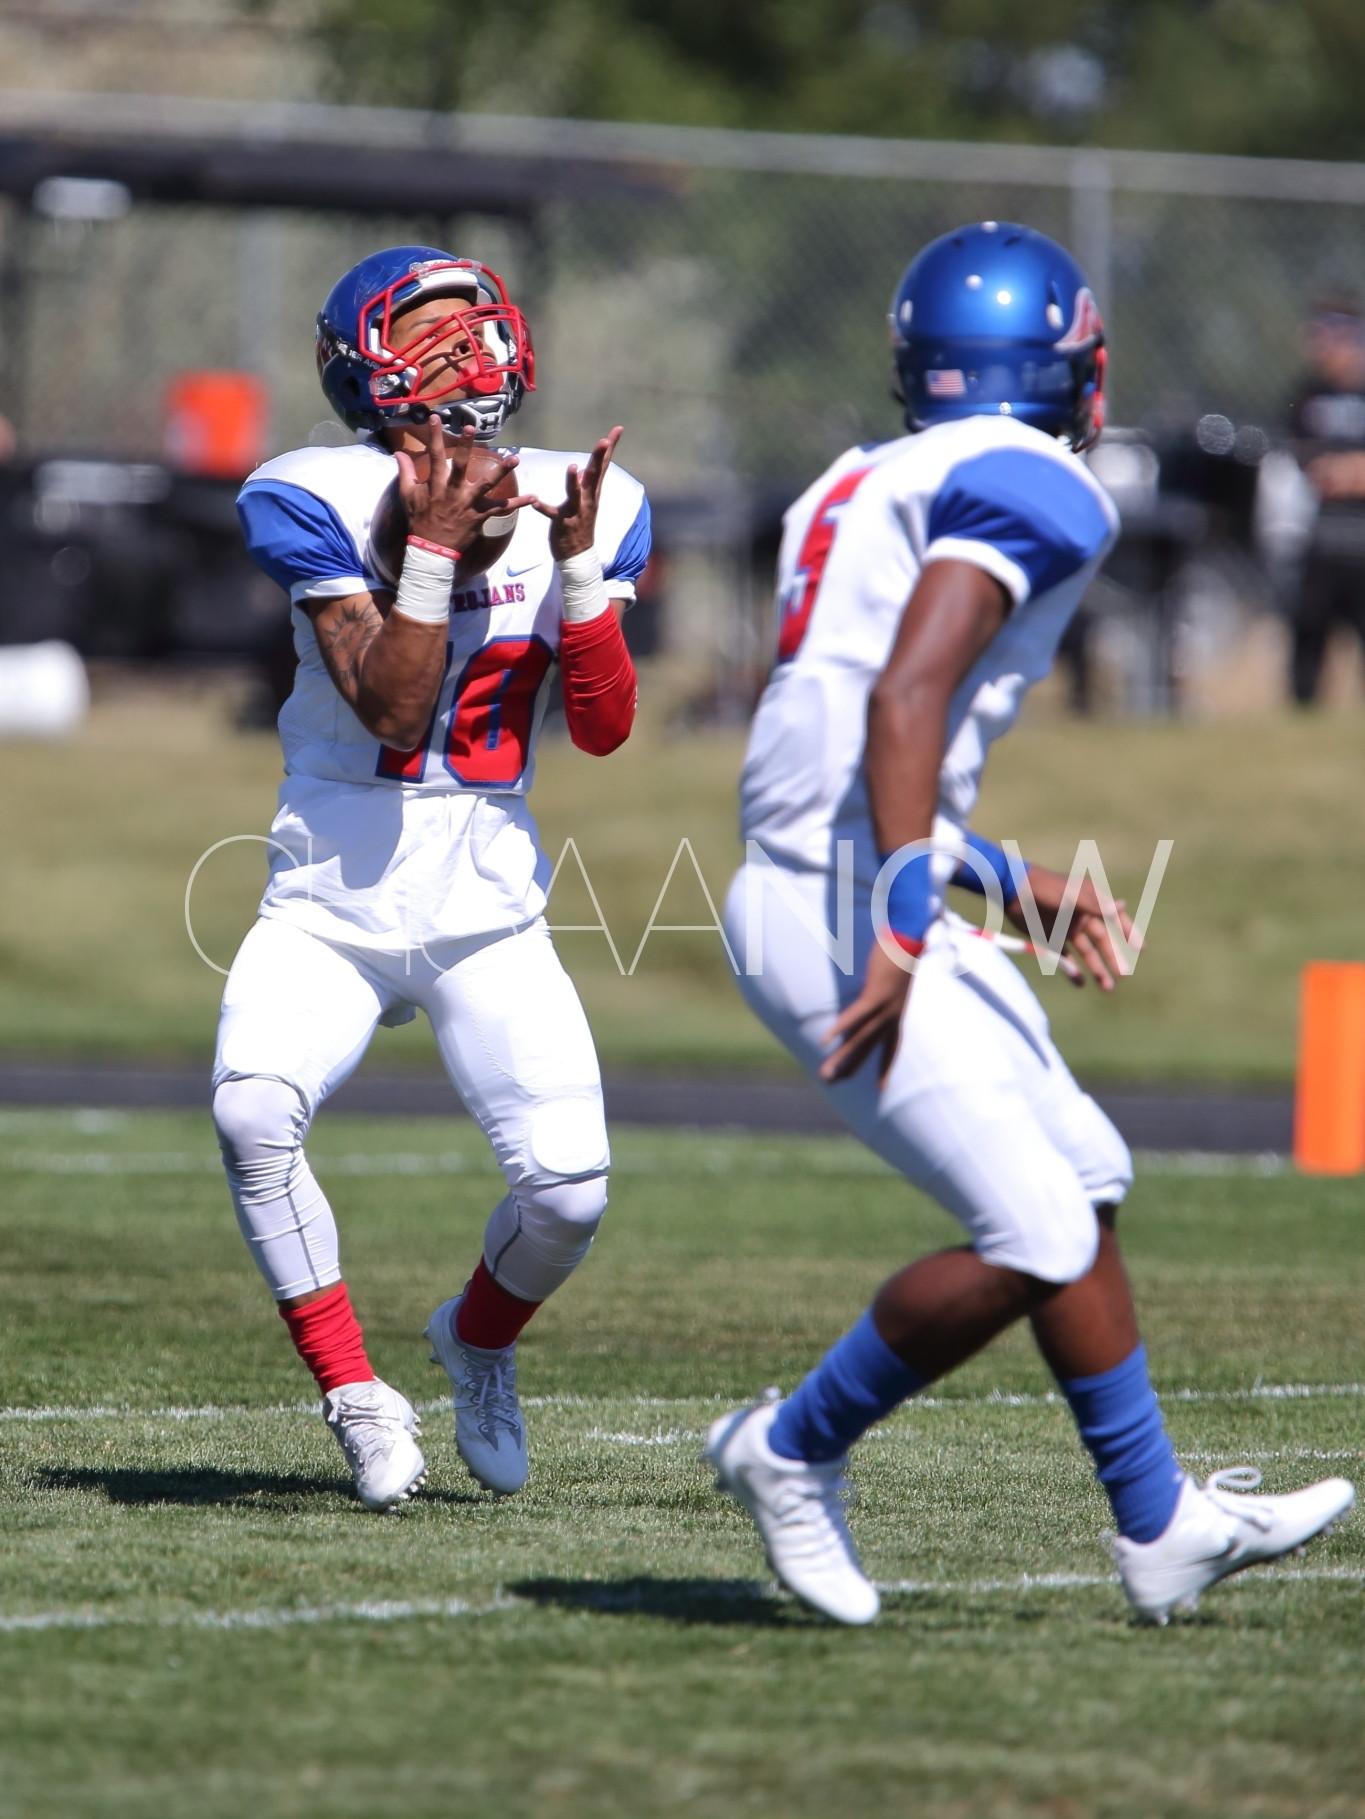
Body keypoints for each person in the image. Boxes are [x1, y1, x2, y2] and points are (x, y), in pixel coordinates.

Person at [706, 222, 1354, 1624]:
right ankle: (790, 1446)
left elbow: (822, 741)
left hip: (839, 866)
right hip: (845, 899)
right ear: (1066, 365)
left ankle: (1159, 1519)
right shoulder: (1038, 484)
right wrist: (897, 908)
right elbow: (900, 701)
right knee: (1036, 1227)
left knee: (1085, 1170)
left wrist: (993, 875)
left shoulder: (857, 476)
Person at [216, 246, 648, 1509]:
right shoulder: (316, 494)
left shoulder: (592, 495)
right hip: (333, 887)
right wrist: (431, 549)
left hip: (487, 899)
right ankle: (357, 1395)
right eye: (431, 333)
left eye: (476, 327)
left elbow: (609, 727)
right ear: (366, 366)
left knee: (569, 1192)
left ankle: (478, 1337)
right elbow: (396, 715)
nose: (464, 352)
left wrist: (573, 575)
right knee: (252, 1112)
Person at [1285, 293, 1365, 703]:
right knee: (1308, 628)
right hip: (1324, 534)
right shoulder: (1308, 393)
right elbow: (1308, 463)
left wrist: (1350, 470)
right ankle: (1301, 712)